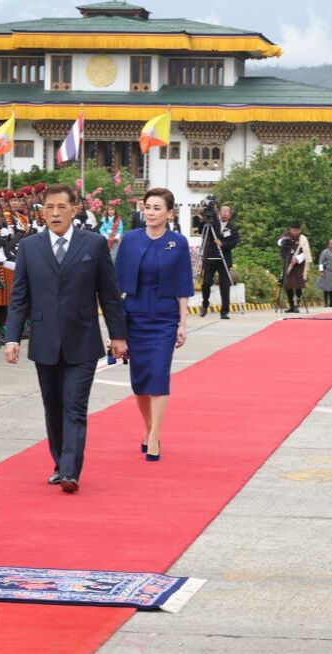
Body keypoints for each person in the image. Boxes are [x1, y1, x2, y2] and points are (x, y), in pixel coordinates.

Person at [4, 183, 127, 494]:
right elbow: (20, 297)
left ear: (75, 210)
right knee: (53, 406)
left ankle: (71, 471)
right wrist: (12, 338)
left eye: (61, 207)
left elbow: (110, 296)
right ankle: (60, 463)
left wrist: (118, 337)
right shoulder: (30, 247)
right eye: (49, 208)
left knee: (74, 405)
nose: (55, 213)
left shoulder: (94, 244)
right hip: (44, 340)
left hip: (82, 341)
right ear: (42, 211)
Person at [114, 188, 193, 462]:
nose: (151, 213)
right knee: (140, 381)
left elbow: (183, 285)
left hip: (164, 318)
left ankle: (156, 436)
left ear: (169, 213)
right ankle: (148, 429)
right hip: (134, 316)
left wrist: (182, 324)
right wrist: (115, 329)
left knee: (158, 375)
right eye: (147, 207)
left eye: (157, 208)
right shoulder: (130, 240)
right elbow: (116, 286)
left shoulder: (178, 243)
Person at [199, 204, 239, 319]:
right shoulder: (213, 223)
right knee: (206, 283)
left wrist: (223, 244)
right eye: (223, 211)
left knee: (225, 285)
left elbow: (235, 241)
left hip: (224, 259)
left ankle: (224, 311)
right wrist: (203, 218)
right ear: (219, 212)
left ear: (230, 215)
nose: (225, 214)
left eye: (227, 212)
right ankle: (205, 304)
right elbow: (202, 231)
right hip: (210, 257)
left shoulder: (232, 227)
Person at [277, 223, 311, 313]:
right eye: (293, 230)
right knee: (288, 285)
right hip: (288, 263)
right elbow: (279, 243)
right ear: (290, 229)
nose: (295, 232)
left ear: (299, 230)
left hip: (298, 264)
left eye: (297, 230)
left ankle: (297, 305)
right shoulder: (286, 235)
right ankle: (291, 305)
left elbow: (306, 252)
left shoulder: (303, 239)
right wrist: (284, 240)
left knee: (298, 285)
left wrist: (297, 258)